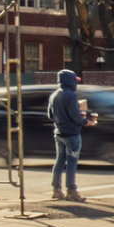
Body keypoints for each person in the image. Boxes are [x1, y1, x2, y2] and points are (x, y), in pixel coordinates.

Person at [47, 69, 93, 202]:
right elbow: (74, 115)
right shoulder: (71, 95)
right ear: (71, 81)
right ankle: (71, 191)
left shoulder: (54, 95)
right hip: (72, 133)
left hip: (59, 132)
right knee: (72, 162)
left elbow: (50, 115)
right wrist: (85, 122)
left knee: (59, 161)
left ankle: (56, 190)